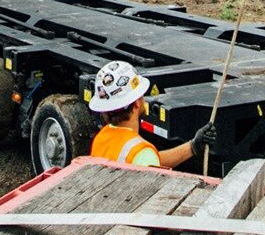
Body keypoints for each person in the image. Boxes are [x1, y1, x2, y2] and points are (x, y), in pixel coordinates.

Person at [86, 60, 214, 168]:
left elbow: (150, 161)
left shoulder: (102, 137)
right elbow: (146, 160)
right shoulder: (141, 152)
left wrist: (193, 146)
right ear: (136, 104)